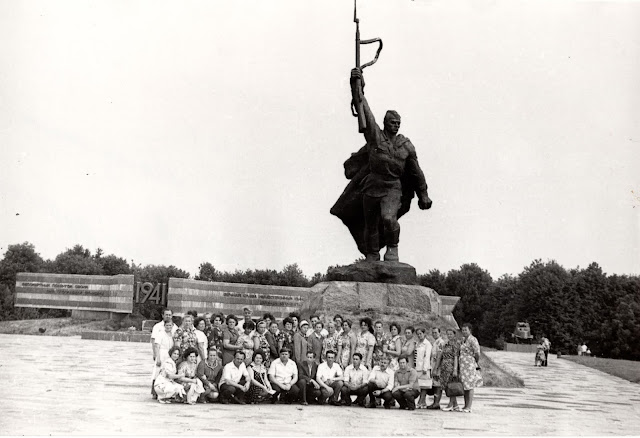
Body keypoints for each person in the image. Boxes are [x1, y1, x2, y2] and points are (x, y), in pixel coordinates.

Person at [330, 68, 432, 263]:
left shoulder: (406, 145)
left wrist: (423, 194)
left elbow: (416, 172)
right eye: (392, 122)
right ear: (385, 123)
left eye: (398, 122)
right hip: (372, 186)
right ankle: (372, 254)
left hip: (392, 187)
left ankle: (392, 249)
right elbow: (365, 112)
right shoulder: (376, 139)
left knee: (388, 219)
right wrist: (356, 86)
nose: (396, 125)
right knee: (371, 224)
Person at [459, 323, 482, 413]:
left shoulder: (473, 339)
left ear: (470, 330)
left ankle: (469, 406)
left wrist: (474, 360)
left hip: (469, 364)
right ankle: (465, 405)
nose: (464, 332)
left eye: (466, 330)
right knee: (465, 385)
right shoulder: (463, 340)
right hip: (463, 365)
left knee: (470, 385)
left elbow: (477, 353)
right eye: (463, 330)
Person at [151, 320, 177, 398]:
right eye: (167, 325)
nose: (168, 327)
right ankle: (154, 392)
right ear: (164, 326)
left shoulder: (172, 335)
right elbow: (157, 346)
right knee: (157, 372)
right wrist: (158, 357)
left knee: (168, 372)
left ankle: (167, 391)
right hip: (162, 354)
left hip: (169, 355)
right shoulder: (160, 334)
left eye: (170, 326)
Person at [437, 328, 461, 412]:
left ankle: (450, 404)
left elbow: (455, 357)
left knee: (451, 386)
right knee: (448, 386)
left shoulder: (455, 344)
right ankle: (456, 405)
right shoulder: (445, 344)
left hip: (451, 367)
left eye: (451, 334)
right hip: (444, 367)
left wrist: (455, 369)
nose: (449, 336)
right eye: (448, 334)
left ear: (454, 335)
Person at [426, 327, 446, 409]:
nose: (434, 334)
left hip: (438, 367)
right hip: (433, 365)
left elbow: (439, 357)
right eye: (433, 332)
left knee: (438, 386)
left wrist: (436, 368)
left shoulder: (441, 343)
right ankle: (435, 402)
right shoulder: (435, 343)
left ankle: (437, 403)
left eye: (436, 332)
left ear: (439, 333)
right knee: (434, 384)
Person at [414, 327, 433, 409]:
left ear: (424, 334)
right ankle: (423, 402)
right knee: (419, 385)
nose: (419, 335)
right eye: (417, 334)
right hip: (417, 367)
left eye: (420, 334)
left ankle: (421, 401)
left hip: (424, 368)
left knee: (424, 385)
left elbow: (427, 356)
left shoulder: (427, 344)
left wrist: (425, 368)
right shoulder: (417, 343)